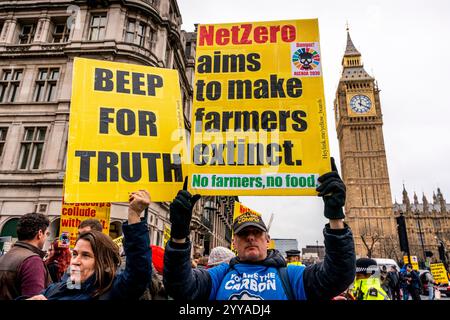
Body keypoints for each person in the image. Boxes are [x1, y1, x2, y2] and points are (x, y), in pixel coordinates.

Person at [163, 158, 356, 300]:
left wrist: (336, 218)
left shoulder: (291, 276)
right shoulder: (219, 275)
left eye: (256, 232)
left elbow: (338, 276)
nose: (251, 238)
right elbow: (180, 287)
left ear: (267, 239)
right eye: (244, 234)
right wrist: (179, 236)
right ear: (235, 242)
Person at [27, 190, 152, 300]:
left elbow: (138, 271)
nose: (75, 261)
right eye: (75, 254)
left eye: (86, 255)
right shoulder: (54, 290)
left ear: (103, 262)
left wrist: (134, 214)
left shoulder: (112, 291)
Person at [0, 213, 51, 300]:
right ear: (40, 233)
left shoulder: (5, 256)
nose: (46, 237)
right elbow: (35, 297)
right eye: (47, 234)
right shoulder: (32, 261)